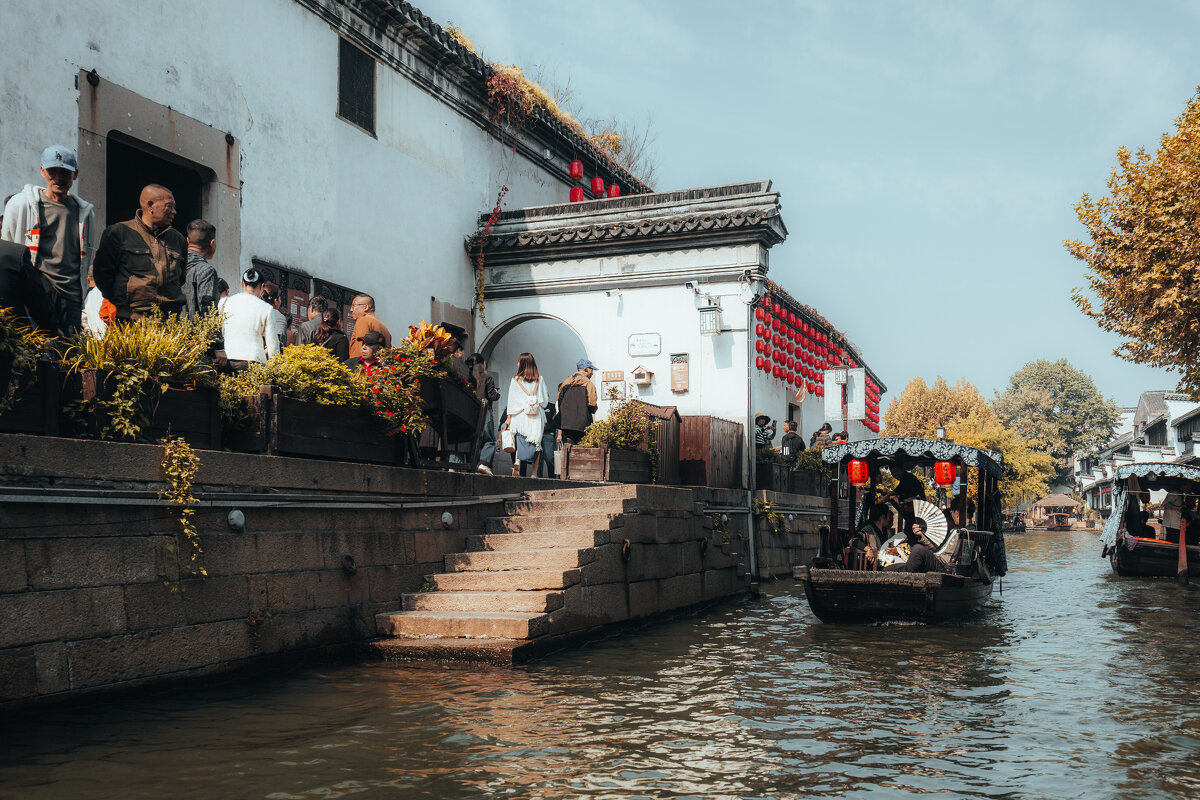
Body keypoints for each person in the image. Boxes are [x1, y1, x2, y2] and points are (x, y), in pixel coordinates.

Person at [1, 145, 97, 334]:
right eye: (53, 171)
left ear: (75, 174)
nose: (58, 178)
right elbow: (7, 251)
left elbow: (85, 257)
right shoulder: (21, 205)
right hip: (34, 294)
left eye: (65, 172)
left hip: (71, 297)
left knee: (69, 355)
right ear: (42, 171)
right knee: (34, 354)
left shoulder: (85, 213)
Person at [92, 184, 186, 321]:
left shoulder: (178, 240)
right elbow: (102, 274)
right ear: (150, 205)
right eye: (169, 206)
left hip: (169, 323)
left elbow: (181, 278)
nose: (174, 211)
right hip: (130, 321)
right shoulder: (118, 233)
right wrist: (121, 303)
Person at [221, 267, 278, 369]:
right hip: (254, 360)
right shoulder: (266, 308)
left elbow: (219, 331)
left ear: (242, 283)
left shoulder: (225, 302)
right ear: (262, 286)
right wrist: (275, 368)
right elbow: (272, 344)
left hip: (228, 358)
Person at [504, 352, 548, 477]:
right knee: (536, 444)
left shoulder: (515, 379)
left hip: (520, 416)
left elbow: (511, 400)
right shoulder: (540, 379)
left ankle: (517, 462)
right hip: (535, 417)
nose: (517, 364)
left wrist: (509, 417)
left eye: (518, 362)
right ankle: (534, 473)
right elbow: (544, 401)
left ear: (522, 364)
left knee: (520, 441)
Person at [0, 236, 54, 329]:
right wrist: (51, 329)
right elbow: (37, 300)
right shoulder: (15, 254)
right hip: (12, 335)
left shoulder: (15, 253)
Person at [465, 353, 501, 475]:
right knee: (489, 439)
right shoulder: (487, 378)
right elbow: (492, 395)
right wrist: (497, 393)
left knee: (475, 440)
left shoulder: (467, 378)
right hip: (484, 411)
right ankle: (484, 464)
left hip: (469, 412)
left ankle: (474, 465)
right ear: (481, 364)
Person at [181, 219, 219, 319]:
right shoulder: (207, 271)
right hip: (196, 333)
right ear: (212, 243)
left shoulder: (174, 265)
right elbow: (209, 313)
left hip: (170, 332)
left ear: (188, 241)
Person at [557, 358, 598, 445]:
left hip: (566, 424)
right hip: (583, 425)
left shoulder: (566, 382)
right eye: (591, 370)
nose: (592, 373)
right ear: (585, 369)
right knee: (580, 451)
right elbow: (592, 404)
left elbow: (560, 401)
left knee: (568, 450)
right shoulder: (589, 384)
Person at [348, 293, 391, 361]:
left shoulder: (363, 320)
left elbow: (360, 350)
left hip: (362, 368)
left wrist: (354, 367)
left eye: (354, 306)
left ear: (365, 307)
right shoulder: (384, 327)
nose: (351, 310)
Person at [849, 503, 892, 569]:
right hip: (873, 566)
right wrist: (868, 549)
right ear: (883, 517)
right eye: (888, 515)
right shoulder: (868, 530)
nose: (889, 518)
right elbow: (853, 540)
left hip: (888, 563)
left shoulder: (887, 531)